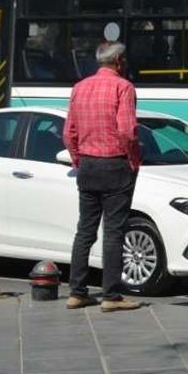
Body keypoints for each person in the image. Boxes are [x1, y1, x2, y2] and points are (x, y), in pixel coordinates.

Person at [64, 42, 143, 312]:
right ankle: (111, 296)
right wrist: (133, 160)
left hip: (87, 165)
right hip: (115, 166)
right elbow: (128, 130)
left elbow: (68, 133)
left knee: (85, 230)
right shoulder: (124, 87)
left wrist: (79, 159)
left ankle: (77, 292)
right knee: (113, 233)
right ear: (119, 60)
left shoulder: (80, 87)